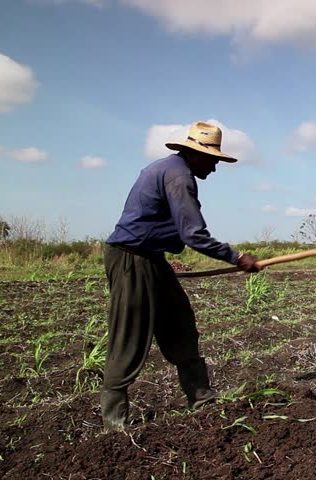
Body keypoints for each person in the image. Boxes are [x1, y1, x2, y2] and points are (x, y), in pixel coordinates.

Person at [101, 121, 260, 431]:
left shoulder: (173, 170)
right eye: (212, 160)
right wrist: (237, 257)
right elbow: (193, 234)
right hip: (132, 260)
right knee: (128, 337)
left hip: (151, 258)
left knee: (180, 322)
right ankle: (114, 426)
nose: (214, 168)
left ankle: (202, 401)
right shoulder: (178, 176)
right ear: (195, 154)